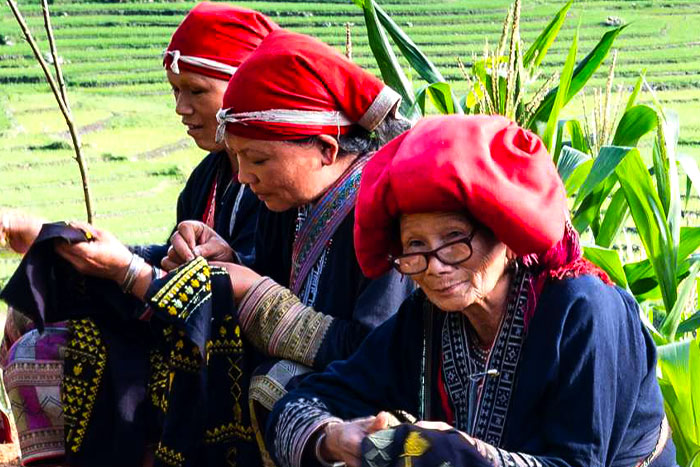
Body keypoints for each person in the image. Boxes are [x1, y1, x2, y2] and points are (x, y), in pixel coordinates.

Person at [266, 115, 677, 467]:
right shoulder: (426, 318)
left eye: (454, 239)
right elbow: (308, 399)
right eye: (415, 246)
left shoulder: (584, 310)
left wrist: (460, 453)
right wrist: (335, 436)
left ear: (508, 238)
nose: (436, 265)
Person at [0, 4, 276, 465]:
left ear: (245, 86)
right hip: (186, 326)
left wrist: (128, 269)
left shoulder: (272, 187)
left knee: (42, 349)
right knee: (32, 311)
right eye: (174, 91)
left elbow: (250, 288)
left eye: (195, 91)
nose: (180, 109)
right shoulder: (206, 179)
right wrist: (63, 240)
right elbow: (169, 262)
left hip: (229, 347)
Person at [149, 28, 416, 463]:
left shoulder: (383, 212)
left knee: (277, 382)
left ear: (326, 150)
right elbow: (278, 278)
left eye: (257, 160)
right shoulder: (284, 201)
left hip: (376, 408)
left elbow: (377, 352)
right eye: (238, 159)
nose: (243, 177)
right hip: (318, 387)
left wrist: (253, 294)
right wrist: (232, 261)